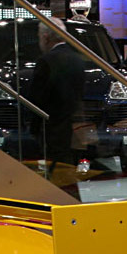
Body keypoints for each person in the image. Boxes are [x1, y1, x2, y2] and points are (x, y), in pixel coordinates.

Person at [28, 18, 86, 198]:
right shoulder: (78, 60)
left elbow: (36, 100)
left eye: (39, 36)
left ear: (46, 37)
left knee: (57, 177)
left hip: (52, 130)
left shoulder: (46, 62)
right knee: (68, 175)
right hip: (75, 130)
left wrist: (34, 129)